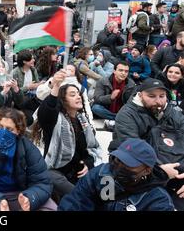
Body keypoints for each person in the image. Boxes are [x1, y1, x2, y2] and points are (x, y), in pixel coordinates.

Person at [108, 78, 184, 210]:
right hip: (139, 171)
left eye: (162, 96)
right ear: (140, 94)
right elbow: (132, 152)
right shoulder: (127, 114)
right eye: (151, 96)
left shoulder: (172, 112)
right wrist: (162, 172)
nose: (159, 101)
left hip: (175, 169)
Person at [34, 70, 103, 201]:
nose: (78, 97)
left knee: (106, 177)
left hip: (78, 171)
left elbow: (91, 149)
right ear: (63, 100)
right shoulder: (54, 120)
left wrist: (88, 164)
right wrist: (55, 86)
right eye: (72, 95)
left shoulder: (82, 120)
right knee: (56, 180)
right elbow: (46, 112)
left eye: (78, 94)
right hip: (58, 172)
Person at [58, 138, 174, 211]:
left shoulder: (157, 199)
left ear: (147, 170)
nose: (120, 167)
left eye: (129, 164)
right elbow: (75, 201)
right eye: (118, 160)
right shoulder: (100, 174)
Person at [91, 61, 135, 130]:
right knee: (96, 108)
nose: (123, 73)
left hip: (121, 110)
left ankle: (116, 118)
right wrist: (110, 97)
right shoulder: (103, 81)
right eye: (121, 70)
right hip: (106, 109)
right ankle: (120, 119)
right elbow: (97, 99)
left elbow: (131, 103)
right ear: (114, 71)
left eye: (126, 71)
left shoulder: (131, 84)